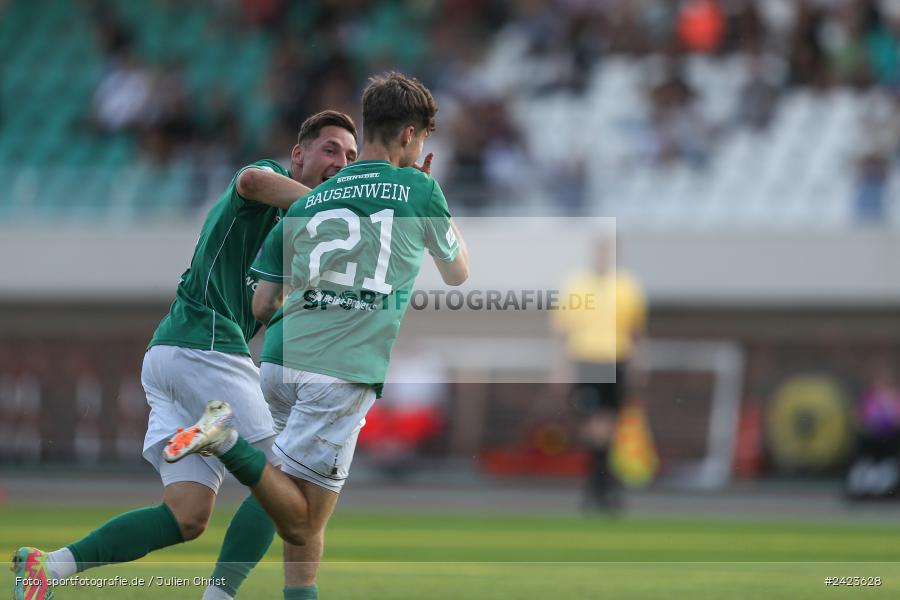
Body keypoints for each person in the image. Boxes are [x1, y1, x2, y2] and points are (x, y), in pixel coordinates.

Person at [11, 110, 359, 600]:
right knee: (284, 485)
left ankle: (51, 567)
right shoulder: (271, 179)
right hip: (205, 346)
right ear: (298, 154)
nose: (341, 161)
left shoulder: (298, 231)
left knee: (186, 516)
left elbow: (269, 304)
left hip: (173, 355)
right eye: (330, 149)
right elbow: (251, 180)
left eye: (350, 156)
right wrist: (343, 207)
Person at [163, 71, 469, 600]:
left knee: (282, 493)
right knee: (304, 522)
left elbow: (262, 302)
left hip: (280, 361)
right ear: (410, 136)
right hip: (341, 370)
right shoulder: (419, 187)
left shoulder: (310, 198)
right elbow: (457, 271)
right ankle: (228, 441)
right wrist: (426, 195)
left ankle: (219, 594)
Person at [553, 238, 646, 512]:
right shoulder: (577, 286)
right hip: (587, 358)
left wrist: (640, 365)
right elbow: (562, 331)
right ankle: (603, 484)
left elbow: (637, 332)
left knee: (607, 424)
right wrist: (560, 368)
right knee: (593, 425)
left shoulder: (627, 288)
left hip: (616, 358)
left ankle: (599, 485)